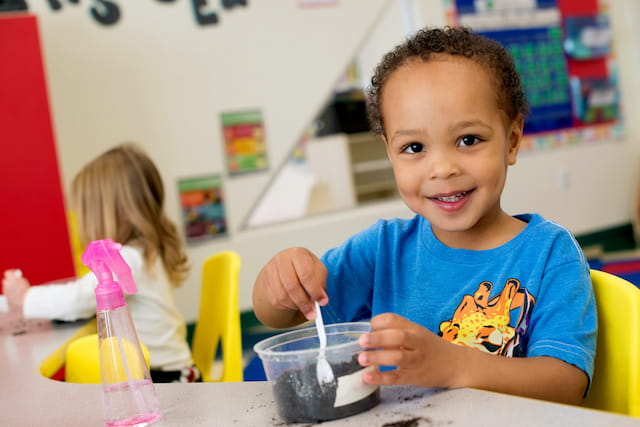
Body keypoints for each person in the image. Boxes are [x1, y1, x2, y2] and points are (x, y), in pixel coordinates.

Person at [252, 26, 596, 404]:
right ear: (390, 152)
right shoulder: (383, 249)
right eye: (414, 147)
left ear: (512, 140)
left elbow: (567, 382)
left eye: (468, 140)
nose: (442, 168)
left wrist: (454, 366)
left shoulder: (550, 252)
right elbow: (279, 316)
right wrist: (280, 281)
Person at [2, 143, 200, 383]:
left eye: (84, 212)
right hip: (165, 372)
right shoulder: (142, 251)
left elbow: (81, 298)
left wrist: (25, 297)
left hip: (164, 378)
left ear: (117, 212)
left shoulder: (128, 258)